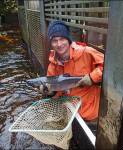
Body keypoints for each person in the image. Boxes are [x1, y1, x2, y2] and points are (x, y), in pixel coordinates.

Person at [40, 20, 104, 149]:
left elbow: (110, 65)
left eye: (62, 39)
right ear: (51, 43)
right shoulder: (52, 65)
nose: (59, 44)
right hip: (70, 115)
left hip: (91, 115)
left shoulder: (86, 52)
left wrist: (92, 78)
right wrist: (48, 91)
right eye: (54, 40)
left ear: (68, 39)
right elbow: (55, 94)